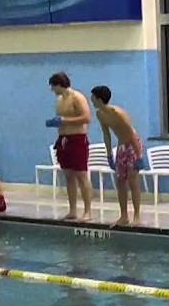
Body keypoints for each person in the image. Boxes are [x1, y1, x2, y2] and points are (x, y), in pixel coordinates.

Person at [91, 85, 144, 227]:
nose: (91, 100)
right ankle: (124, 216)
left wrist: (139, 156)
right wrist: (109, 154)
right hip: (121, 146)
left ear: (99, 99)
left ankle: (137, 216)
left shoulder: (117, 113)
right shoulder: (100, 114)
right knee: (120, 181)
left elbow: (131, 134)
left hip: (133, 145)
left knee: (132, 180)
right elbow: (106, 135)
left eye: (93, 97)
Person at [46, 72, 92, 221]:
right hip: (63, 140)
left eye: (53, 87)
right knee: (68, 176)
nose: (52, 90)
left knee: (81, 176)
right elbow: (62, 120)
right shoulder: (59, 100)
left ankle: (88, 211)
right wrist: (56, 123)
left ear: (59, 85)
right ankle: (72, 210)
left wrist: (64, 120)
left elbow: (86, 117)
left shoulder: (77, 97)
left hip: (77, 139)